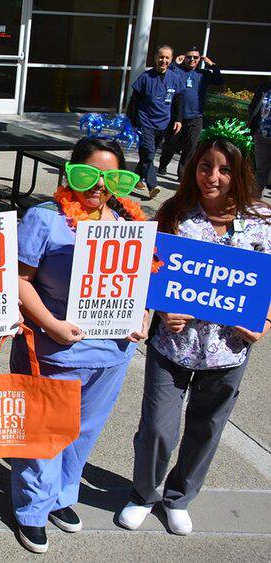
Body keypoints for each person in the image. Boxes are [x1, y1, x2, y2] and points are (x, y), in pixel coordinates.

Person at [118, 128, 271, 535]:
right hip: (173, 346)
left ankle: (179, 497)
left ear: (240, 172)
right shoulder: (173, 213)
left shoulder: (261, 221)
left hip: (228, 349)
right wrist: (161, 308)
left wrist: (265, 321)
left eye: (224, 169)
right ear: (194, 168)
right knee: (157, 426)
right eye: (206, 166)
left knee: (207, 428)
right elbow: (147, 268)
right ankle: (144, 494)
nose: (213, 177)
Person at [10, 137, 151, 554]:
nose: (99, 186)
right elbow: (19, 281)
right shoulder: (45, 218)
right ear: (71, 172)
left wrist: (142, 316)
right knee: (43, 432)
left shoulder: (127, 220)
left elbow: (140, 280)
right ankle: (32, 509)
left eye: (111, 177)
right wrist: (51, 325)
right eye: (89, 174)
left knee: (83, 430)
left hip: (112, 352)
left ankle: (61, 496)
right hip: (55, 348)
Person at [128, 44, 185, 199]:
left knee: (148, 153)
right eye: (161, 57)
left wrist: (178, 119)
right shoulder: (145, 77)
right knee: (149, 153)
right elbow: (134, 100)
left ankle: (137, 178)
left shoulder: (175, 79)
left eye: (167, 57)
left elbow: (178, 100)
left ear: (171, 59)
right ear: (155, 58)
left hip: (163, 122)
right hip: (145, 121)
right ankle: (152, 185)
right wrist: (131, 122)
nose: (163, 60)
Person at [158, 46, 223, 178]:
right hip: (177, 115)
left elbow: (220, 80)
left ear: (199, 59)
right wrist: (175, 63)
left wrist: (212, 65)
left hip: (196, 116)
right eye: (189, 57)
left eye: (195, 57)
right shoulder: (177, 71)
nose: (192, 59)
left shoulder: (203, 74)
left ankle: (182, 174)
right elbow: (164, 75)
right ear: (185, 58)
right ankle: (163, 165)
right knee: (170, 144)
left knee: (191, 146)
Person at [248, 79, 271, 197]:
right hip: (262, 135)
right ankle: (253, 204)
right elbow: (253, 106)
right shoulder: (265, 86)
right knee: (261, 171)